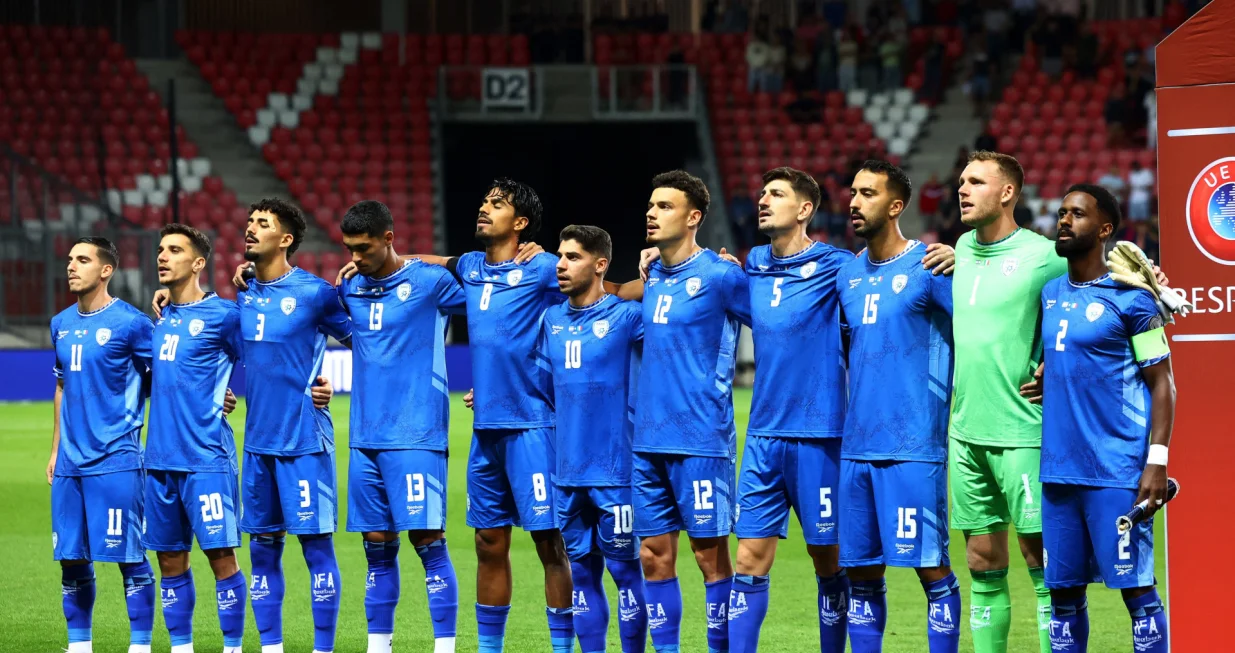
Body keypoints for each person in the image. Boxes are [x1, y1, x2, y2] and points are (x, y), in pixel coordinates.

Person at [726, 167, 955, 652]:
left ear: (805, 209)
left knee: (837, 564)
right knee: (748, 560)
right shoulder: (754, 265)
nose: (763, 201)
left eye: (776, 194)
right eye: (853, 192)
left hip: (829, 436)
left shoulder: (839, 266)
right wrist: (656, 265)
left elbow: (976, 312)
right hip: (766, 436)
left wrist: (964, 257)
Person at [144, 224, 300, 653]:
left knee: (221, 558)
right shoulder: (156, 319)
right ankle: (181, 647)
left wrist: (313, 388)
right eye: (160, 249)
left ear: (197, 263)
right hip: (158, 460)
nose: (162, 256)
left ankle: (232, 647)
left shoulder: (225, 316)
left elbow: (267, 360)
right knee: (169, 560)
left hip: (206, 459)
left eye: (174, 250)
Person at [1040, 184, 1174, 652]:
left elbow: (1164, 385)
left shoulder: (1133, 300)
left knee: (1137, 593)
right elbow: (1072, 359)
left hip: (1116, 471)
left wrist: (1156, 463)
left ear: (1104, 229)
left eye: (1076, 214)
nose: (1063, 220)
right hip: (1057, 471)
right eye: (1060, 213)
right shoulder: (1050, 293)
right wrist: (1051, 377)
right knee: (1062, 595)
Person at [836, 161, 961, 653]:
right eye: (852, 192)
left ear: (895, 206)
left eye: (867, 193)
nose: (854, 201)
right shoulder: (847, 274)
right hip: (856, 448)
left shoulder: (930, 266)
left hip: (914, 446)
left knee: (931, 571)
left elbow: (975, 324)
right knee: (861, 575)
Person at [336, 200, 468, 653]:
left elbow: (496, 310)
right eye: (350, 249)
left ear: (389, 238)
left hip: (416, 434)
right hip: (364, 438)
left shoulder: (430, 284)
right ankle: (379, 644)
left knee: (428, 541)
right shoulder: (349, 287)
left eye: (364, 248)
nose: (355, 258)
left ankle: (445, 645)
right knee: (376, 545)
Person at [951, 152, 1064, 653]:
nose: (963, 189)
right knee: (980, 560)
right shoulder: (960, 247)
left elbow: (1094, 300)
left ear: (1007, 193)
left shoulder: (1044, 256)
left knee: (1043, 560)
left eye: (976, 181)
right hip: (965, 431)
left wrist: (1057, 367)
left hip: (1023, 430)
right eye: (962, 181)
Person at [635, 170, 751, 653]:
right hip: (647, 441)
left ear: (694, 217)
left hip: (702, 438)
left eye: (664, 206)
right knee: (652, 556)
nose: (651, 213)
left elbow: (773, 319)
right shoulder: (653, 273)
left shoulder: (722, 276)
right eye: (651, 205)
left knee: (710, 559)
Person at [537, 225, 649, 653]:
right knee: (581, 573)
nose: (561, 265)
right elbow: (545, 388)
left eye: (572, 257)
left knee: (624, 573)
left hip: (616, 470)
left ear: (600, 264)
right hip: (566, 472)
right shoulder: (551, 320)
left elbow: (677, 323)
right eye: (560, 256)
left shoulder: (626, 318)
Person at [50, 237, 157, 653]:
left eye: (82, 260)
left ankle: (140, 645)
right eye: (70, 260)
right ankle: (79, 645)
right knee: (71, 558)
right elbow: (61, 387)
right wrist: (56, 450)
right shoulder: (60, 323)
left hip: (116, 460)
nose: (71, 266)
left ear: (106, 270)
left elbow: (162, 379)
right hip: (69, 465)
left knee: (129, 556)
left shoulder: (132, 324)